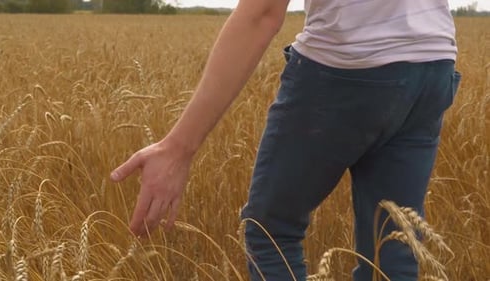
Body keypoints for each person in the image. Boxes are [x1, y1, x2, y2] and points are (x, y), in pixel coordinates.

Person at [110, 0, 461, 280]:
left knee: (270, 232)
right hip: (433, 65)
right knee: (392, 247)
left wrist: (177, 147)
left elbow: (262, 12)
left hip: (347, 68)